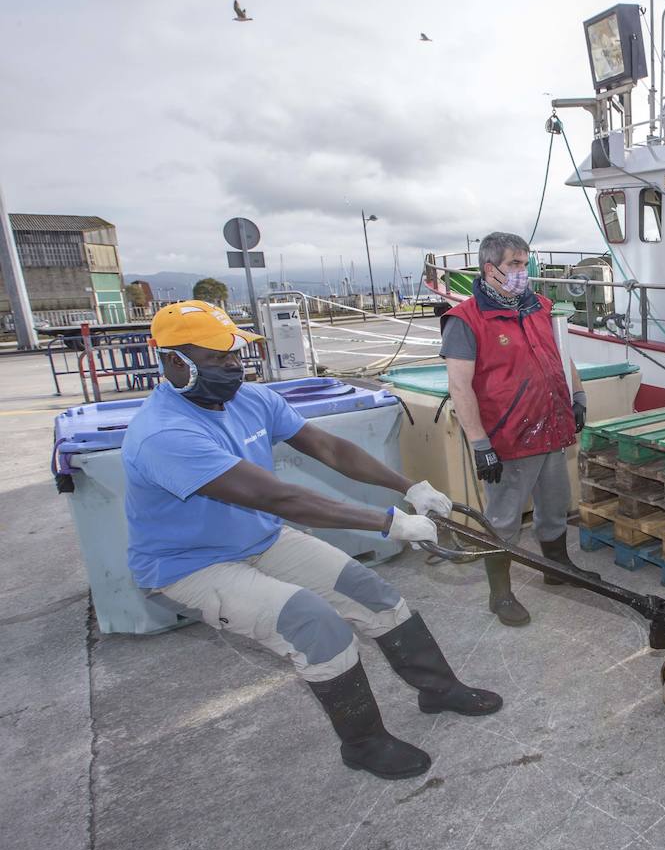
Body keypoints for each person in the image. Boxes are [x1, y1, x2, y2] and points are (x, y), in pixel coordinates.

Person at [123, 300, 501, 782]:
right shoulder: (164, 434)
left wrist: (408, 487)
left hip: (259, 539)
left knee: (371, 591)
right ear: (175, 361)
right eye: (219, 358)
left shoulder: (251, 399)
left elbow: (327, 446)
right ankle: (364, 743)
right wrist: (389, 522)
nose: (234, 366)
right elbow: (278, 497)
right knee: (312, 623)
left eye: (236, 354)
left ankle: (439, 689)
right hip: (192, 565)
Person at [442, 231, 599, 628]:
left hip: (551, 428)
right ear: (488, 268)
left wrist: (576, 396)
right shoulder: (465, 320)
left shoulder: (541, 307)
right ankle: (500, 593)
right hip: (508, 439)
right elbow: (459, 387)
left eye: (524, 263)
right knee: (504, 519)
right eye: (513, 264)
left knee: (554, 505)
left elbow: (562, 356)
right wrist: (481, 445)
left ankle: (558, 568)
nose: (521, 272)